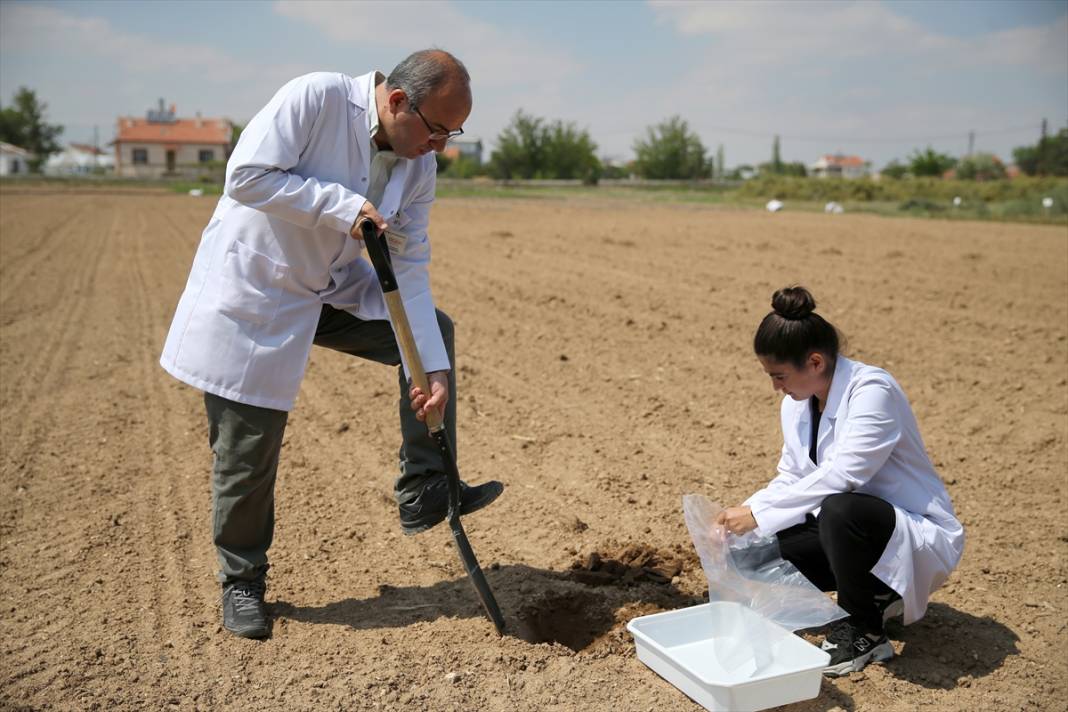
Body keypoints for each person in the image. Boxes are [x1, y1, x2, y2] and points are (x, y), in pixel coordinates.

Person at [159, 50, 503, 639]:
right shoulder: (315, 99)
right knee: (249, 449)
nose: (441, 146)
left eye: (454, 133)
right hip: (260, 292)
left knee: (432, 334)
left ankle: (423, 486)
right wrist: (341, 207)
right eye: (439, 129)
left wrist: (431, 373)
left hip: (334, 290)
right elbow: (245, 175)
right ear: (398, 102)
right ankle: (242, 581)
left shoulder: (416, 165)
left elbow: (410, 266)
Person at [715, 286, 963, 676]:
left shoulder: (872, 391)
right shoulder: (797, 403)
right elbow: (793, 476)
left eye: (779, 376)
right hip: (847, 534)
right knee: (748, 554)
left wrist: (759, 513)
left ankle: (866, 631)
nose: (775, 386)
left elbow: (846, 475)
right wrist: (742, 519)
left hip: (905, 534)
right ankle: (876, 595)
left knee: (838, 509)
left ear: (814, 362)